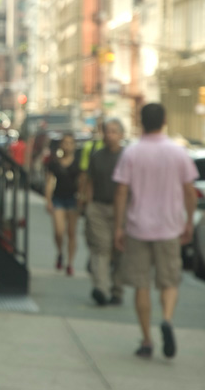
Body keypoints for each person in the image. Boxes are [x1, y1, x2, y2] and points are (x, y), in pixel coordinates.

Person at [113, 103, 198, 359]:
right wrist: (189, 220)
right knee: (169, 281)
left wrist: (119, 226)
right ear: (164, 121)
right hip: (170, 227)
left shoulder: (131, 153)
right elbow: (190, 191)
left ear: (140, 122)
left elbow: (121, 191)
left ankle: (147, 340)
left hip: (138, 227)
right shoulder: (178, 152)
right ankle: (168, 320)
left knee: (141, 285)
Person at [84, 118, 125, 306]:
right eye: (107, 131)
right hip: (99, 207)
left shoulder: (127, 157)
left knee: (118, 252)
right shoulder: (97, 156)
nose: (110, 135)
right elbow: (89, 182)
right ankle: (100, 288)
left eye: (114, 132)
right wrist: (88, 205)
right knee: (101, 248)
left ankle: (117, 290)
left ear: (121, 135)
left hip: (122, 210)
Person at [45, 133, 80, 276]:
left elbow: (82, 182)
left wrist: (82, 199)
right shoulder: (54, 163)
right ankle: (60, 252)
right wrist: (48, 200)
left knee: (71, 233)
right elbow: (49, 182)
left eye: (70, 143)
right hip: (58, 199)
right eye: (65, 142)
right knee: (59, 231)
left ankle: (70, 263)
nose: (67, 145)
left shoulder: (78, 163)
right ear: (61, 145)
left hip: (73, 199)